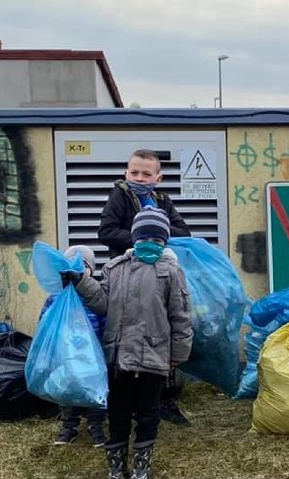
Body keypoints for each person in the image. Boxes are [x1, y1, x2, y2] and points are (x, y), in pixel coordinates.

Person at [70, 207, 193, 479]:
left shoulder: (170, 272)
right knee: (118, 414)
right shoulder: (115, 269)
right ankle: (116, 467)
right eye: (144, 239)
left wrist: (178, 354)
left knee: (149, 414)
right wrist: (82, 282)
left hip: (154, 357)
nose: (151, 244)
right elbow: (103, 303)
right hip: (119, 358)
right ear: (133, 239)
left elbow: (181, 315)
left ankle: (141, 466)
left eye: (158, 241)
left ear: (165, 243)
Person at [98, 148, 193, 426]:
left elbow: (183, 231)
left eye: (146, 173)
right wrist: (140, 239)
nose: (139, 178)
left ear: (158, 178)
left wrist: (157, 233)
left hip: (159, 277)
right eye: (134, 172)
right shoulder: (119, 196)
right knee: (128, 335)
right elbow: (105, 232)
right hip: (127, 277)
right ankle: (125, 401)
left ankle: (165, 400)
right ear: (126, 173)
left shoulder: (162, 199)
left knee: (162, 331)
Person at [40, 245, 107, 447]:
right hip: (65, 354)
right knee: (67, 389)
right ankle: (69, 426)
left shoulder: (95, 295)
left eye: (83, 265)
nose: (77, 269)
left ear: (91, 270)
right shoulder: (55, 297)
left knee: (95, 390)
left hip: (93, 355)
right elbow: (45, 322)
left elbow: (106, 320)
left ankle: (96, 425)